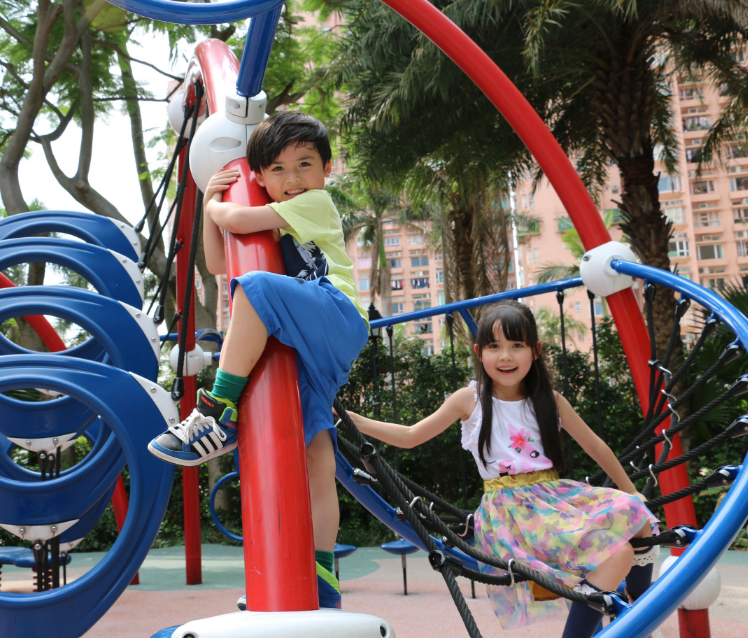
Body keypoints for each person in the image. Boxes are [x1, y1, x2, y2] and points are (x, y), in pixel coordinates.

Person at [148, 110, 369, 610]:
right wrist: (209, 208)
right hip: (312, 346)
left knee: (255, 289)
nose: (293, 179)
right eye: (277, 170)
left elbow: (241, 223)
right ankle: (321, 574)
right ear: (262, 176)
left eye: (305, 164)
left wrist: (220, 205)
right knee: (317, 457)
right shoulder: (284, 221)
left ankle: (217, 410)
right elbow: (220, 261)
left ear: (326, 170)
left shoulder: (318, 204)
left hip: (337, 313)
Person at [344, 301, 657, 636]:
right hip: (511, 513)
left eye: (516, 345)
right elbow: (410, 436)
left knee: (638, 519)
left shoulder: (550, 401)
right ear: (480, 353)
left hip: (554, 498)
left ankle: (639, 608)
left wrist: (629, 489)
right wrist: (352, 420)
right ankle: (623, 618)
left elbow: (595, 446)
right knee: (618, 553)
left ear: (535, 351)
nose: (505, 356)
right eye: (495, 347)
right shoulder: (470, 400)